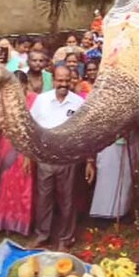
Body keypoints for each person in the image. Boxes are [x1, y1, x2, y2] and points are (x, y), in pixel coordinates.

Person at [30, 65, 88, 250]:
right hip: (45, 158)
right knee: (44, 198)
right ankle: (42, 235)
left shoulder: (78, 103)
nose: (63, 84)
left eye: (66, 80)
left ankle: (66, 238)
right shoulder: (42, 100)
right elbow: (32, 127)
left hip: (68, 158)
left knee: (67, 199)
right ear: (53, 81)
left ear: (71, 80)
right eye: (59, 80)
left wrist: (89, 161)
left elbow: (84, 134)